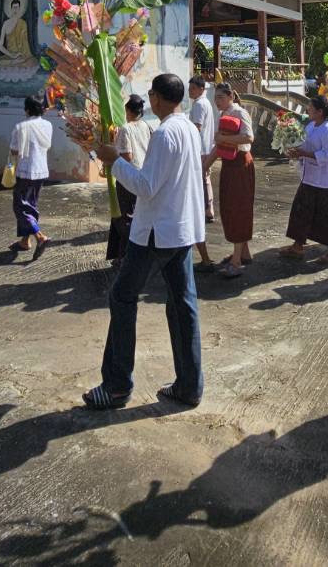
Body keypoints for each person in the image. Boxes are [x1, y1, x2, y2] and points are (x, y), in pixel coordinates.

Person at [86, 73, 204, 410]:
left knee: (122, 297)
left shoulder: (166, 133)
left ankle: (117, 385)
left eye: (151, 93)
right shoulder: (186, 130)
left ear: (156, 98)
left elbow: (147, 186)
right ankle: (189, 385)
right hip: (178, 228)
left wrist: (114, 161)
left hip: (155, 232)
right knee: (183, 306)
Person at [279, 95, 328, 263]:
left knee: (326, 215)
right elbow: (304, 146)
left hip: (323, 180)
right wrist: (294, 150)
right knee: (300, 210)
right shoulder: (311, 126)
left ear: (320, 112)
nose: (308, 109)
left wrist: (304, 154)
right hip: (308, 177)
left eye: (311, 107)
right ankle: (298, 246)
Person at [206, 83, 255, 278]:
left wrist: (225, 139)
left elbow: (249, 138)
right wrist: (204, 166)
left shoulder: (239, 113)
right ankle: (243, 253)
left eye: (220, 97)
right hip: (229, 164)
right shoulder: (223, 115)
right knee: (229, 208)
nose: (217, 101)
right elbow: (219, 145)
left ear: (230, 97)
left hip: (241, 165)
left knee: (238, 208)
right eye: (215, 97)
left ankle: (236, 261)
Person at [9, 94, 53, 259]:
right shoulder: (48, 125)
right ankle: (25, 241)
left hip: (25, 170)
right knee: (31, 205)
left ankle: (40, 236)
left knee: (20, 206)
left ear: (26, 110)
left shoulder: (21, 127)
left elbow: (14, 151)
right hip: (41, 169)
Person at [109, 95, 153, 263]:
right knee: (135, 214)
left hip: (129, 176)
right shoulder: (145, 125)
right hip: (143, 174)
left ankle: (128, 255)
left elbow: (127, 156)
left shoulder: (125, 129)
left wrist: (111, 154)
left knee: (125, 217)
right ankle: (123, 255)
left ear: (127, 110)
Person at [186, 75, 216, 224]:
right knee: (205, 179)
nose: (190, 91)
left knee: (201, 179)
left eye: (193, 88)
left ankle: (206, 209)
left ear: (201, 89)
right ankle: (208, 209)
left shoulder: (199, 104)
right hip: (206, 147)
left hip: (201, 148)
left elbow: (196, 127)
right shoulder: (205, 103)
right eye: (189, 88)